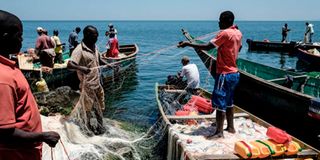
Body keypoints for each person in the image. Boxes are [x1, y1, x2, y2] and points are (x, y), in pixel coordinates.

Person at [0, 10, 60, 160]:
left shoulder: (8, 67)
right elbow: (4, 133)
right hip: (16, 154)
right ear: (5, 37)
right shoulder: (4, 78)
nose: (22, 40)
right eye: (19, 35)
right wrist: (42, 136)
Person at [178, 11, 242, 139]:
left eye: (220, 20)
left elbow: (208, 47)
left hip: (224, 74)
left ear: (225, 21)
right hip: (235, 74)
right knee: (229, 102)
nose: (218, 22)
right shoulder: (238, 33)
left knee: (219, 103)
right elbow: (239, 48)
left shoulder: (224, 33)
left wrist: (188, 44)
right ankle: (230, 127)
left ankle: (219, 133)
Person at [67, 25, 108, 136]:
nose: (97, 38)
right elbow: (69, 64)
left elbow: (99, 59)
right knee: (88, 109)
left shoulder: (94, 46)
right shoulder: (79, 49)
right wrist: (81, 68)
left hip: (97, 84)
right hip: (87, 86)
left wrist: (110, 65)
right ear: (87, 35)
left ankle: (100, 126)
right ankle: (89, 130)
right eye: (95, 36)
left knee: (100, 106)